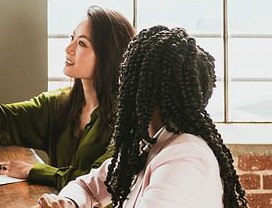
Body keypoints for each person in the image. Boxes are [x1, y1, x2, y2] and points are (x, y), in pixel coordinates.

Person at [34, 26, 247, 208]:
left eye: (128, 76)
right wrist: (69, 202)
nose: (121, 85)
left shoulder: (185, 157)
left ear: (143, 89)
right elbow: (86, 186)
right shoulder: (146, 146)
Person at [0, 6, 135, 189]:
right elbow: (6, 119)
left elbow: (101, 182)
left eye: (81, 44)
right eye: (72, 38)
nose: (68, 48)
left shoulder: (128, 117)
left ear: (108, 56)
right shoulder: (58, 104)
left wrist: (32, 171)